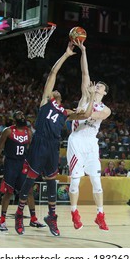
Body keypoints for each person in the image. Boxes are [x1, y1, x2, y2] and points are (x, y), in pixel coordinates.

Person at [14, 41, 96, 236]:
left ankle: (52, 217)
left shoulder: (65, 112)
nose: (55, 90)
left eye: (57, 91)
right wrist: (67, 55)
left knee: (52, 182)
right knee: (30, 181)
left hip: (53, 146)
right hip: (40, 142)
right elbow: (52, 73)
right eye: (53, 90)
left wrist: (92, 97)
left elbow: (85, 115)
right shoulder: (45, 101)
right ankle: (19, 214)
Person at [67, 40, 111, 231]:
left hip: (91, 143)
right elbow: (85, 73)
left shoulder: (106, 109)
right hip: (77, 139)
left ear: (105, 92)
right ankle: (74, 212)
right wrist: (83, 50)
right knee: (75, 180)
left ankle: (100, 215)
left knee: (96, 181)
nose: (97, 86)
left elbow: (92, 115)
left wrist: (91, 99)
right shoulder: (85, 96)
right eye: (97, 85)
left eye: (100, 87)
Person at [0, 111, 44, 232]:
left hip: (23, 164)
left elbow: (31, 151)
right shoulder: (8, 131)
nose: (23, 116)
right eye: (19, 115)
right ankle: (2, 220)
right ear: (14, 119)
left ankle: (33, 218)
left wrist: (34, 165)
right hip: (11, 164)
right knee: (8, 192)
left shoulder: (28, 132)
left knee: (29, 191)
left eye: (23, 115)